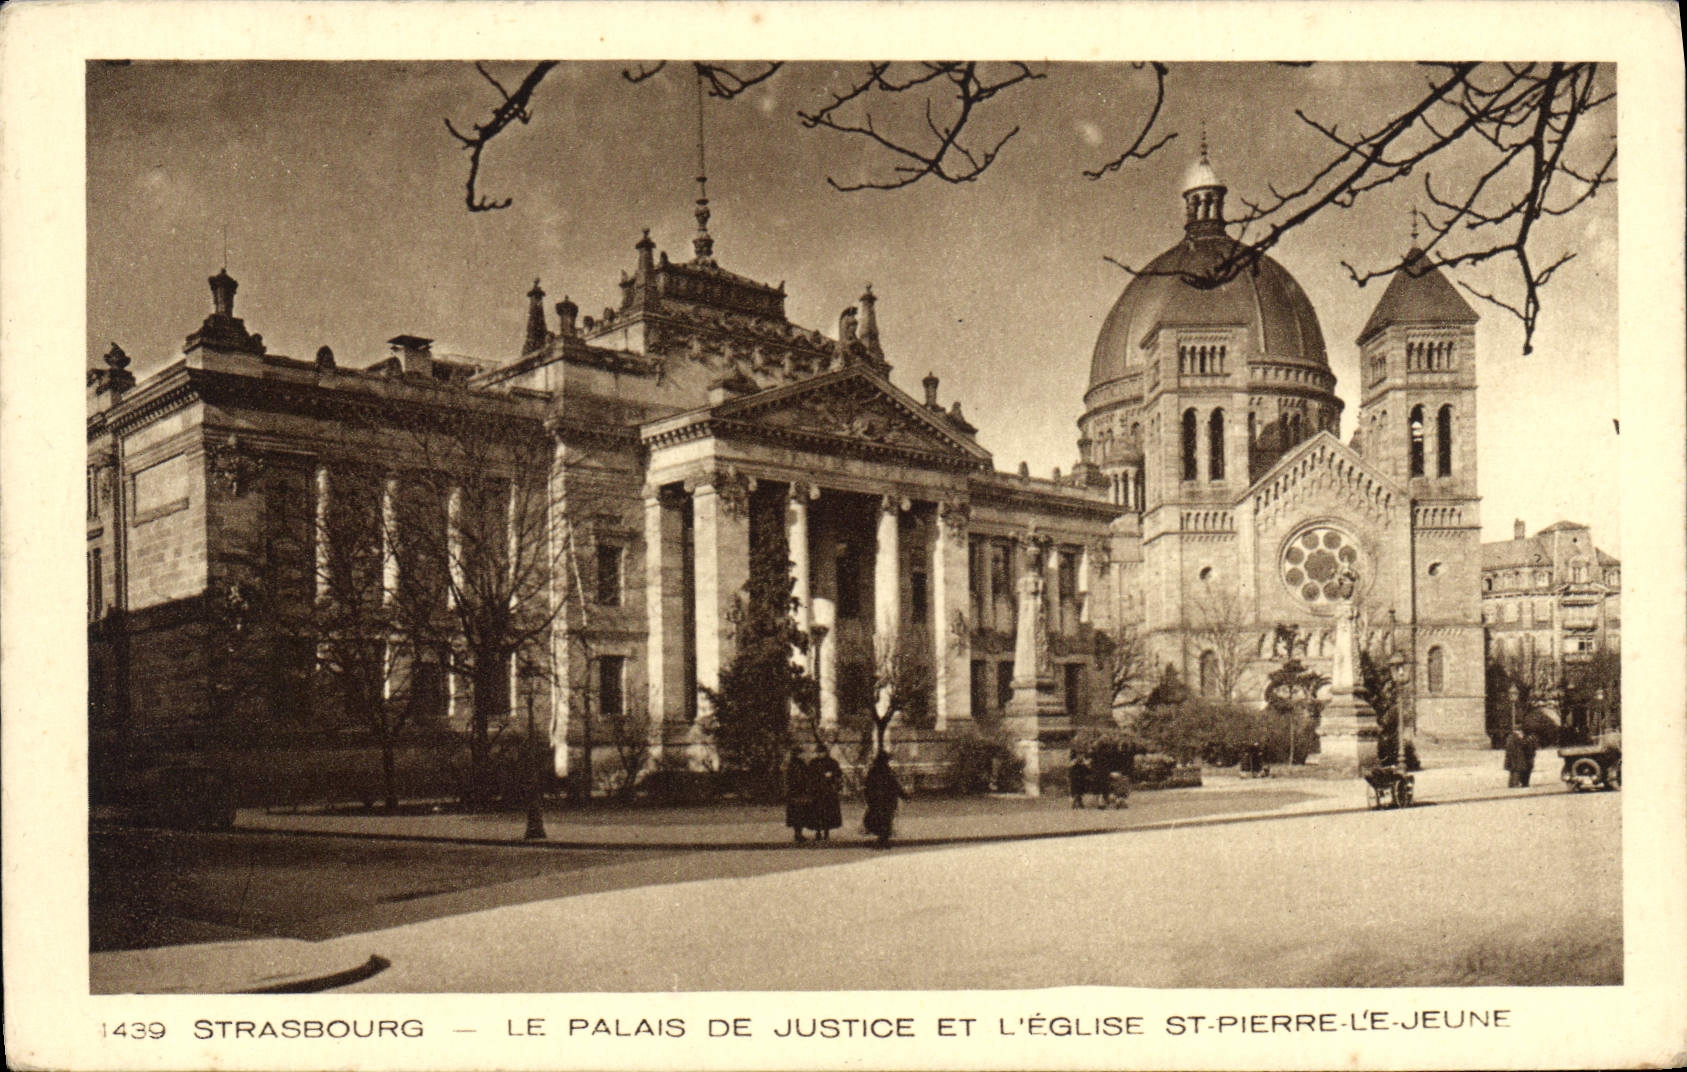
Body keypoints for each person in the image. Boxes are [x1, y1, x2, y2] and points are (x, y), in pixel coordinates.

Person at [862, 751, 905, 848]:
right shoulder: (887, 771)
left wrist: (868, 798)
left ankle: (882, 839)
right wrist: (903, 795)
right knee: (886, 819)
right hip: (887, 799)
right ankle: (883, 840)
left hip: (876, 800)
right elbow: (895, 785)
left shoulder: (873, 771)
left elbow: (867, 786)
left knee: (877, 819)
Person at [808, 746, 844, 842]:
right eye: (818, 752)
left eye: (821, 752)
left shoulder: (832, 762)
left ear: (825, 752)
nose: (819, 754)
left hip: (828, 791)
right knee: (817, 812)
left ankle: (826, 832)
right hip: (817, 791)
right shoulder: (813, 763)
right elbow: (809, 775)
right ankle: (818, 831)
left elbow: (839, 774)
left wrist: (832, 775)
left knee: (828, 812)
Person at [784, 747, 813, 843]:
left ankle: (798, 833)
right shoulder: (797, 765)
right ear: (798, 754)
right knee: (799, 813)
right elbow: (799, 779)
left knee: (798, 813)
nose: (804, 755)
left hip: (795, 793)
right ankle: (798, 834)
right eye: (802, 753)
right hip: (798, 793)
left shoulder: (795, 764)